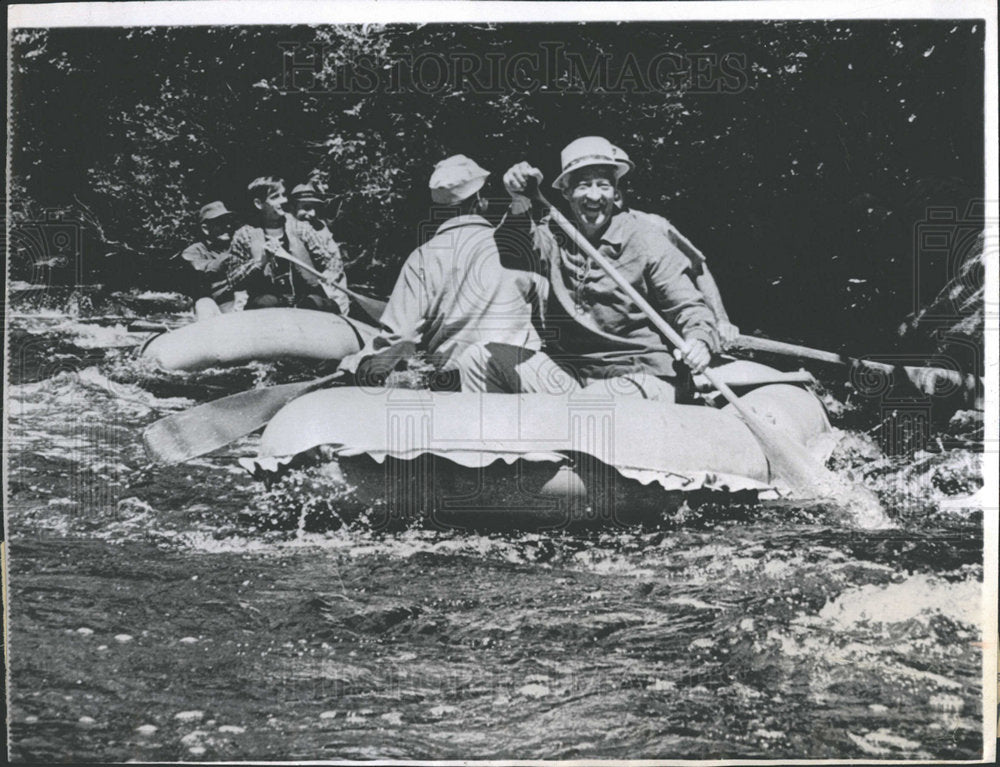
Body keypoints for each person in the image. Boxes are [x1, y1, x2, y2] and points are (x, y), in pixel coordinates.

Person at [468, 135, 719, 401]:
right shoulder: (553, 234)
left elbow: (688, 307)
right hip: (571, 374)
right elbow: (512, 254)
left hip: (640, 372)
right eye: (584, 185)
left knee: (591, 403)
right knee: (477, 359)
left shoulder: (645, 237)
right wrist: (519, 199)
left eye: (603, 185)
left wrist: (699, 340)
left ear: (615, 191)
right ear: (566, 192)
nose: (595, 195)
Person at [338, 154, 555, 390]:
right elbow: (547, 313)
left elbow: (400, 337)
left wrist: (359, 362)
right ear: (480, 201)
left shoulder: (423, 257)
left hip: (461, 388)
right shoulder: (518, 245)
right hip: (521, 381)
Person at [610, 144, 740, 346]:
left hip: (665, 336)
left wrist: (721, 320)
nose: (613, 192)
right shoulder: (575, 235)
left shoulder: (653, 226)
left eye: (618, 183)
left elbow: (698, 268)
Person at [221, 176, 349, 313]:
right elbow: (233, 280)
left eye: (283, 195)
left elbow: (331, 260)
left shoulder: (301, 228)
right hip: (267, 306)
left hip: (304, 300)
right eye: (275, 197)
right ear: (259, 204)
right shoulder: (244, 235)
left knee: (318, 303)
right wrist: (259, 263)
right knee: (266, 302)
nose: (284, 200)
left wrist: (330, 272)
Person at [289, 182, 350, 302]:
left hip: (329, 288)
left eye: (315, 208)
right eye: (306, 207)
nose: (312, 214)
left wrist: (331, 272)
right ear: (292, 207)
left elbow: (333, 258)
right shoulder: (289, 226)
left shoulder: (319, 227)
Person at [180, 200, 239, 319]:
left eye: (228, 221)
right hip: (215, 309)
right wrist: (231, 257)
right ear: (205, 229)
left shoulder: (238, 246)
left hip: (239, 304)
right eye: (220, 222)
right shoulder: (192, 252)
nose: (228, 226)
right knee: (204, 305)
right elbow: (205, 270)